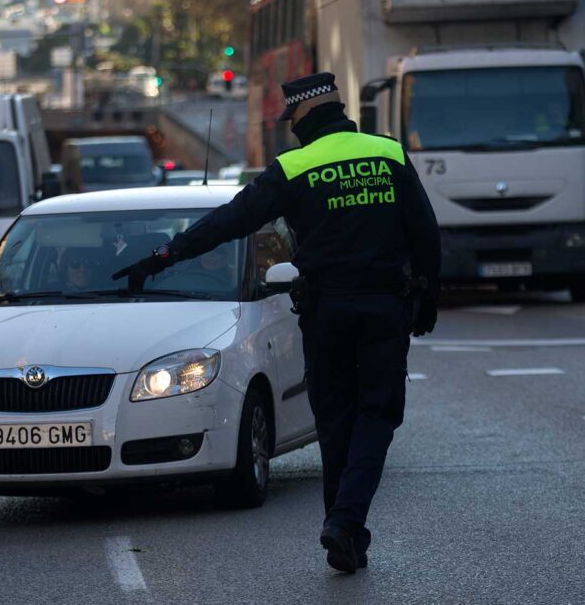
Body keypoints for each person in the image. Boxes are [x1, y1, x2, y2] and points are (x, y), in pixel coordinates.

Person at [112, 71, 441, 574]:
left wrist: (160, 257)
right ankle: (345, 525)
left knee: (334, 421)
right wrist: (428, 297)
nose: (291, 129)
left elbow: (228, 222)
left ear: (307, 114)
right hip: (382, 307)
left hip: (327, 311)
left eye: (294, 119)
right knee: (377, 416)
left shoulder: (293, 167)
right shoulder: (388, 153)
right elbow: (425, 231)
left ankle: (342, 527)